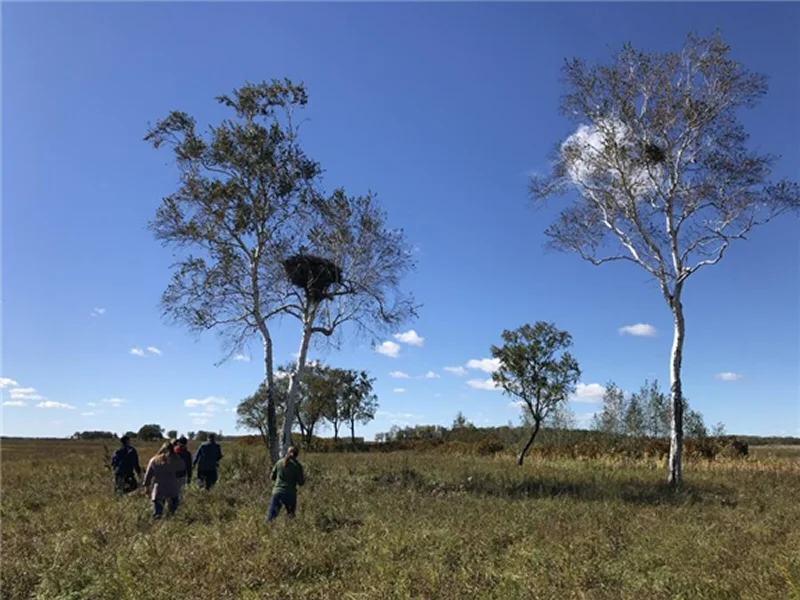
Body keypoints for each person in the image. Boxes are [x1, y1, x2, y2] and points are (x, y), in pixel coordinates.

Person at [265, 446, 305, 523]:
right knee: (291, 517)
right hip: (290, 494)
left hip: (277, 492)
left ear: (287, 452)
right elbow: (301, 483)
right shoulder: (297, 465)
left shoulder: (279, 462)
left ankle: (266, 530)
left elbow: (272, 477)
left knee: (270, 517)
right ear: (297, 454)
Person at [143, 441, 182, 519]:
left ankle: (158, 528)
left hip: (159, 489)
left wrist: (146, 486)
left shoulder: (154, 460)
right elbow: (181, 474)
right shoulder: (176, 460)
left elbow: (148, 476)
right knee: (172, 514)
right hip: (173, 488)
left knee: (157, 514)